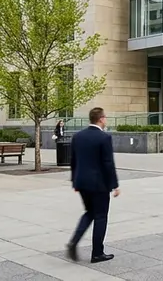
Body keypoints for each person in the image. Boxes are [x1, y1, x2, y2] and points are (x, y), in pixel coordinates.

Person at [67, 107, 120, 264]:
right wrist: (115, 185)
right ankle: (97, 253)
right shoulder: (104, 138)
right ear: (101, 119)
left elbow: (73, 161)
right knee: (100, 216)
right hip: (99, 184)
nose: (106, 120)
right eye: (105, 118)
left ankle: (74, 242)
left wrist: (75, 182)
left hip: (82, 182)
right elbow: (108, 163)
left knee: (89, 212)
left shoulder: (78, 136)